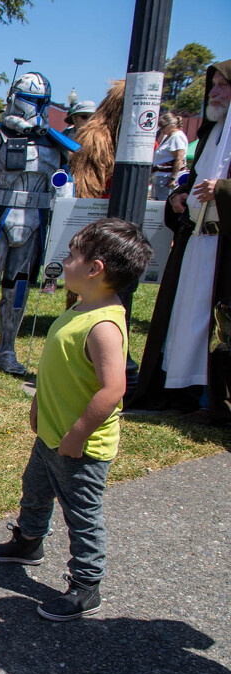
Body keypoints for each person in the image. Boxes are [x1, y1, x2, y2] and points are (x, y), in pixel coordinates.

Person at [0, 218, 152, 621]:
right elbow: (60, 365)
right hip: (51, 435)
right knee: (35, 489)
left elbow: (112, 390)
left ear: (96, 269)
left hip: (80, 446)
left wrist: (77, 435)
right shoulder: (82, 306)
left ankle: (86, 585)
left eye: (73, 255)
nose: (65, 260)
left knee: (82, 514)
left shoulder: (105, 325)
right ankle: (28, 541)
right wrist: (40, 404)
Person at [0, 72, 78, 375]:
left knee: (18, 289)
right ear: (14, 99)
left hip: (33, 223)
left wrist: (61, 226)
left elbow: (63, 185)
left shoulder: (55, 144)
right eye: (31, 100)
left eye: (42, 102)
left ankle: (6, 349)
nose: (37, 107)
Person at [128, 60, 231, 424]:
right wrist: (181, 195)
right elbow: (196, 178)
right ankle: (182, 393)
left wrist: (220, 190)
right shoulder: (209, 136)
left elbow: (217, 183)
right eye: (212, 85)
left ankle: (214, 400)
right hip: (197, 244)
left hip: (223, 250)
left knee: (215, 323)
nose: (213, 92)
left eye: (222, 85)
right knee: (184, 320)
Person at [151, 111, 189, 201]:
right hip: (160, 177)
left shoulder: (177, 137)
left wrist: (173, 178)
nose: (162, 130)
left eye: (163, 127)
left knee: (162, 204)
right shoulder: (168, 136)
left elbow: (179, 159)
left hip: (167, 179)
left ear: (171, 125)